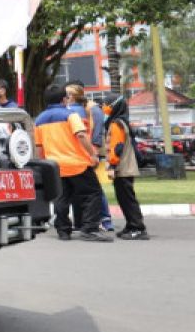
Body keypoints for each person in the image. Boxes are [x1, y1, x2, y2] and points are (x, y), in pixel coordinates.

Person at [34, 84, 109, 241]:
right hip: (77, 163)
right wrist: (93, 154)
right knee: (92, 194)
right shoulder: (70, 115)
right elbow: (81, 135)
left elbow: (39, 147)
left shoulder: (39, 120)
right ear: (64, 99)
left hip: (55, 166)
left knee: (61, 198)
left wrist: (44, 164)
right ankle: (89, 229)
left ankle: (63, 230)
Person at [66, 83, 113, 231]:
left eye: (66, 94)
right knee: (91, 188)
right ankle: (99, 219)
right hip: (86, 153)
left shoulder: (85, 109)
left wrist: (95, 151)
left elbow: (96, 131)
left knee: (94, 188)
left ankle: (104, 219)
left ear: (72, 96)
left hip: (87, 153)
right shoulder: (84, 108)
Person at [103, 97, 149, 240]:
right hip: (125, 166)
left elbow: (117, 147)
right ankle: (131, 225)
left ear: (114, 106)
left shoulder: (116, 124)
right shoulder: (121, 121)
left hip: (122, 167)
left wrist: (112, 165)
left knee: (127, 199)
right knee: (124, 198)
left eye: (106, 104)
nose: (104, 107)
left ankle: (137, 228)